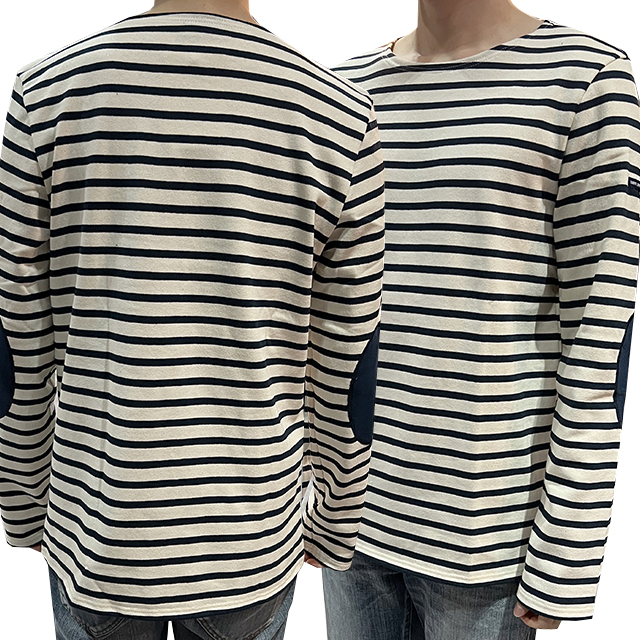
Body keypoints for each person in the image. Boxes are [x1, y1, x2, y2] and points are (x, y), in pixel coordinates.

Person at [0, 0, 386, 638]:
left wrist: (20, 498)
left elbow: (18, 331)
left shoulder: (50, 93)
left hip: (100, 521)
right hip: (251, 533)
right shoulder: (338, 114)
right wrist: (337, 516)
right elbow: (350, 353)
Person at [324, 0, 640, 638]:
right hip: (353, 523)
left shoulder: (585, 79)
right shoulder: (345, 90)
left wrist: (568, 547)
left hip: (489, 538)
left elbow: (601, 328)